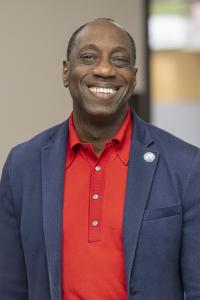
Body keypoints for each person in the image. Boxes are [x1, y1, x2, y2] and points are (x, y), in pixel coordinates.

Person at [0, 18, 200, 300]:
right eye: (89, 57)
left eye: (119, 60)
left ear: (133, 77)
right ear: (66, 71)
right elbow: (9, 287)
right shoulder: (21, 166)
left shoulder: (187, 166)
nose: (105, 69)